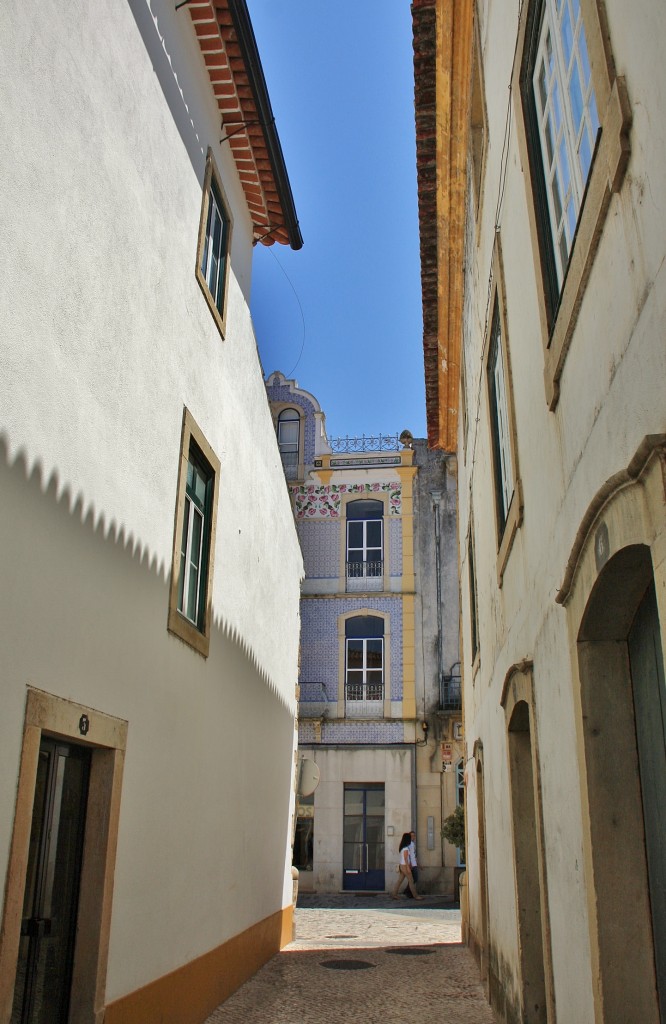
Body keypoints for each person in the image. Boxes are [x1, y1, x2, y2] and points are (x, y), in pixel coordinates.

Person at [391, 831, 423, 899]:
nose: (411, 838)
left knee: (400, 880)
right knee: (411, 881)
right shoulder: (406, 849)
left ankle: (394, 894)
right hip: (405, 866)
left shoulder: (403, 848)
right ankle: (416, 896)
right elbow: (406, 859)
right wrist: (408, 868)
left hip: (402, 865)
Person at [404, 830, 419, 899]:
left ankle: (408, 892)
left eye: (414, 836)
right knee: (413, 879)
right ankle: (408, 892)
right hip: (411, 864)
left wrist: (418, 863)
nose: (413, 837)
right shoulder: (409, 844)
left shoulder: (413, 844)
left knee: (414, 879)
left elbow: (414, 854)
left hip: (414, 863)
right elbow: (408, 855)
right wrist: (409, 864)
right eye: (411, 836)